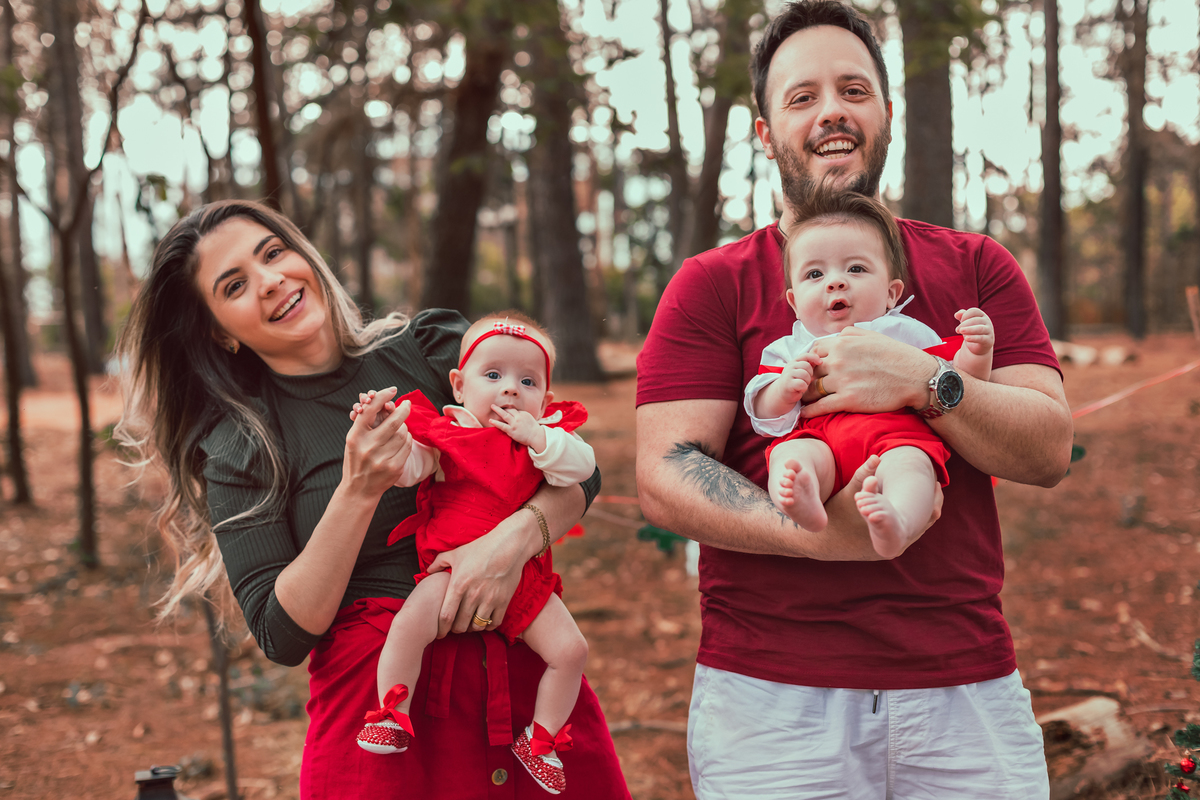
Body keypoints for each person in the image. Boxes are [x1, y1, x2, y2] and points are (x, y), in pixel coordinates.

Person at [634, 1, 1073, 797]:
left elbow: (1046, 448)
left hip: (962, 685)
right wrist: (827, 537)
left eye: (853, 90)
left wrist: (926, 383)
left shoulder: (975, 266)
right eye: (802, 97)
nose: (831, 111)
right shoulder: (711, 285)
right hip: (770, 701)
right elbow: (666, 470)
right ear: (765, 134)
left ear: (886, 115)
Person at [115, 199, 631, 800]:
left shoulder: (434, 350)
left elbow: (576, 471)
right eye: (234, 285)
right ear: (217, 330)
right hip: (380, 714)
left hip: (520, 666)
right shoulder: (241, 444)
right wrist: (357, 490)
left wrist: (506, 546)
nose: (271, 281)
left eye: (273, 253)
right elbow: (281, 633)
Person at [351, 314, 594, 795]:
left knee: (571, 651)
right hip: (451, 565)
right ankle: (390, 712)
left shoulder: (546, 438)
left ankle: (540, 739)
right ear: (460, 387)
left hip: (522, 576)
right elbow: (407, 469)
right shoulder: (447, 432)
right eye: (493, 376)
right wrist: (385, 431)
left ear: (545, 399)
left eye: (527, 381)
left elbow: (581, 469)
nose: (509, 391)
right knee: (408, 625)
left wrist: (537, 435)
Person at [747, 187, 995, 559]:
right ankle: (804, 498)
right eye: (815, 273)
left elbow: (958, 382)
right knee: (793, 455)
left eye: (856, 268)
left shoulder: (905, 332)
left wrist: (977, 350)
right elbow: (763, 413)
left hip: (896, 437)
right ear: (794, 302)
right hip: (820, 439)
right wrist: (784, 388)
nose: (836, 282)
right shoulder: (788, 348)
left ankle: (897, 522)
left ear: (892, 293)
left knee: (913, 466)